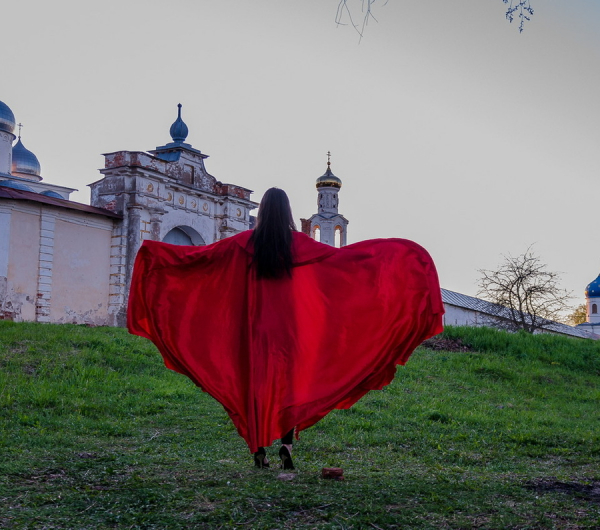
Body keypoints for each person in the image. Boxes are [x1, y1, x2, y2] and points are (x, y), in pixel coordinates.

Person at [127, 188, 444, 469]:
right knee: (288, 388)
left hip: (255, 331)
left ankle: (259, 451)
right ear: (288, 213)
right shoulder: (300, 245)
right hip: (290, 332)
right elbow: (342, 262)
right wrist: (398, 258)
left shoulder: (243, 243)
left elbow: (201, 258)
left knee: (257, 387)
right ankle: (287, 445)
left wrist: (155, 255)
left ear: (261, 212)